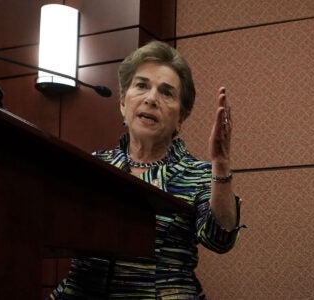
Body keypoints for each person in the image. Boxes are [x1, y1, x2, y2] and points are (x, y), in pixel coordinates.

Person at [49, 40, 243, 299]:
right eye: (141, 86)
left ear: (180, 118)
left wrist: (220, 163)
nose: (151, 99)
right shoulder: (94, 165)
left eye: (166, 93)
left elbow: (220, 240)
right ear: (122, 103)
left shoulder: (198, 174)